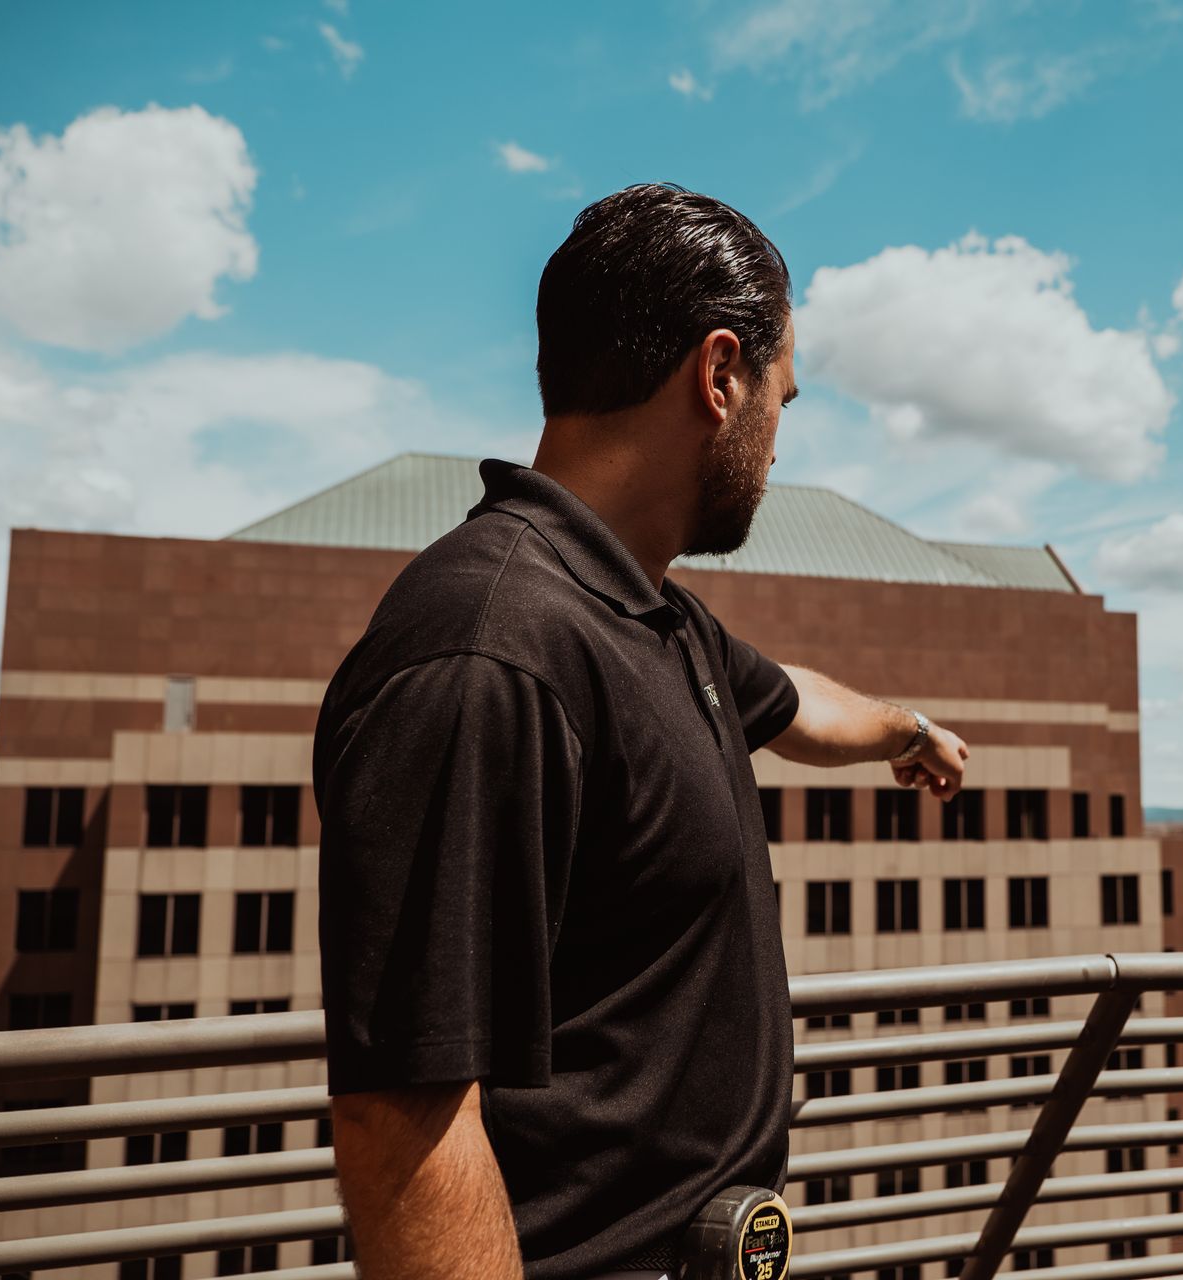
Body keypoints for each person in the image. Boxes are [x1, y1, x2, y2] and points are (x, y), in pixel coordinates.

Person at [314, 183, 970, 1280]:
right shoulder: (488, 652)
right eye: (784, 400)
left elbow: (793, 700)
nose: (775, 444)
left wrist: (904, 728)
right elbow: (403, 1120)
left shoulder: (649, 616)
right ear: (720, 376)